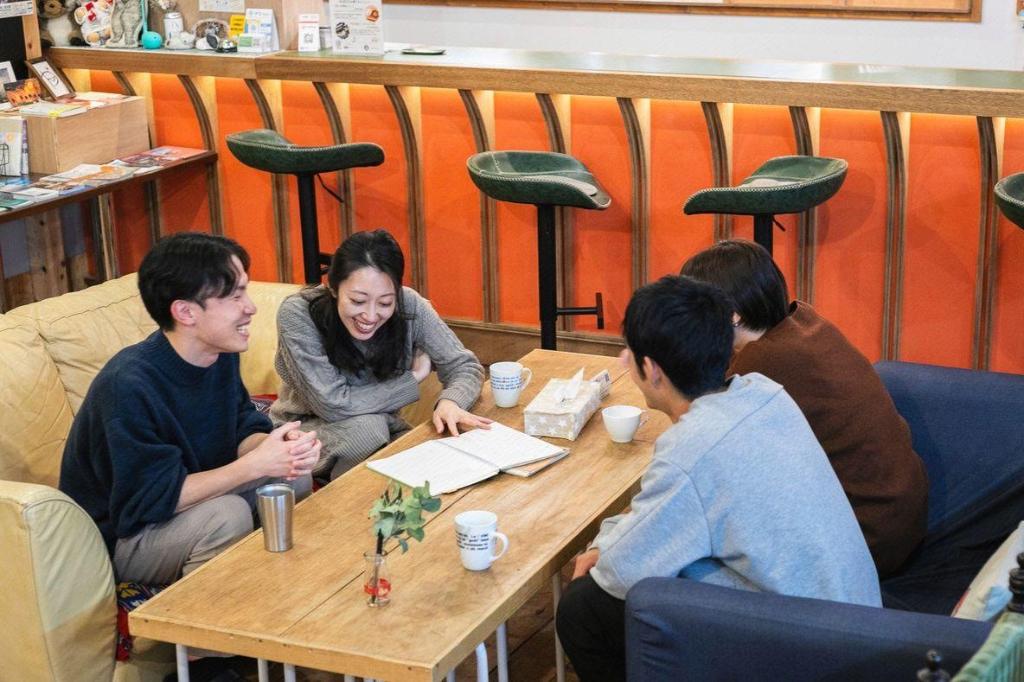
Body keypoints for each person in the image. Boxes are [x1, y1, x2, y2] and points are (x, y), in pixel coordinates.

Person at [555, 275, 881, 682]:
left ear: (651, 370)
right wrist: (612, 542)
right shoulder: (764, 392)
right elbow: (665, 517)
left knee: (583, 607)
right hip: (860, 624)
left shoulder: (693, 449)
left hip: (811, 650)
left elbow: (618, 572)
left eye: (630, 353)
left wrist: (602, 547)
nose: (625, 360)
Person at [60, 232, 320, 586]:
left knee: (292, 477)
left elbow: (242, 428)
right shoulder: (128, 385)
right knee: (225, 517)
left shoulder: (219, 354)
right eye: (235, 296)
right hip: (127, 535)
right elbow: (154, 498)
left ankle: (279, 587)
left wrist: (278, 450)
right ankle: (208, 619)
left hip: (190, 503)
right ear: (185, 312)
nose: (250, 307)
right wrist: (253, 466)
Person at [680, 239, 928, 578]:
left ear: (732, 314)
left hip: (866, 541)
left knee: (698, 527)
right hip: (903, 518)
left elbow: (705, 445)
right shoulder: (805, 322)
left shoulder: (762, 365)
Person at [271, 229, 488, 480]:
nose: (371, 316)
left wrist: (451, 402)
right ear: (333, 287)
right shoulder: (299, 314)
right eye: (357, 301)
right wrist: (414, 377)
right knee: (368, 430)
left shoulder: (410, 306)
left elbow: (464, 366)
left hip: (385, 428)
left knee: (450, 454)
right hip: (304, 432)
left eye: (385, 303)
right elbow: (332, 404)